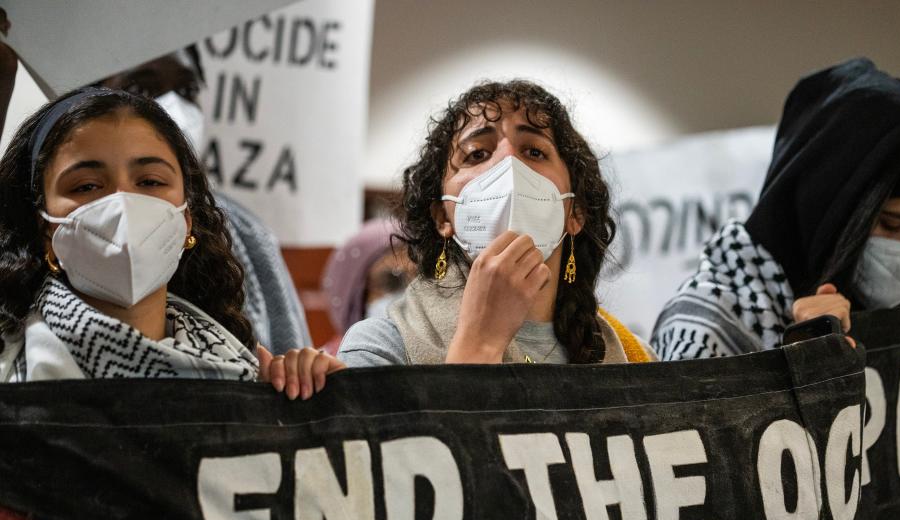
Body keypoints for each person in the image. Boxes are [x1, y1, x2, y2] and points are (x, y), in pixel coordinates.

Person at [0, 88, 341, 397]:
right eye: (86, 186)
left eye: (150, 181)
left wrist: (320, 402)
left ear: (186, 219)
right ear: (45, 228)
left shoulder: (245, 377)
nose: (123, 204)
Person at [651, 58, 900, 360]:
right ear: (827, 208)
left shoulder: (855, 306)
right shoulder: (704, 331)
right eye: (893, 225)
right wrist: (804, 366)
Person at [337, 80, 654, 366]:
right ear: (441, 217)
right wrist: (481, 343)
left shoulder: (634, 357)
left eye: (533, 151)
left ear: (575, 212)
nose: (509, 163)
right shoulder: (382, 347)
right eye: (476, 155)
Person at [96, 47, 312, 354]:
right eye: (139, 90)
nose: (174, 108)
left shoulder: (246, 233)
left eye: (188, 90)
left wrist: (296, 373)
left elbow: (287, 354)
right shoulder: (71, 222)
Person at [320, 217, 415, 354]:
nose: (409, 294)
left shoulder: (438, 363)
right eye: (391, 281)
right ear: (352, 295)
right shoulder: (321, 371)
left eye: (419, 280)